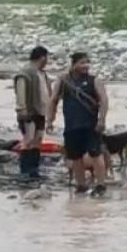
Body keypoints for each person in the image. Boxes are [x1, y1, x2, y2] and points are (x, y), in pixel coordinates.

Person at [47, 52, 109, 196]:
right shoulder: (64, 81)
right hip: (71, 125)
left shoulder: (94, 81)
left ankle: (100, 184)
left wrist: (102, 120)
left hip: (90, 125)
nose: (85, 66)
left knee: (96, 153)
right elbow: (53, 100)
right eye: (82, 63)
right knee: (75, 156)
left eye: (87, 62)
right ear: (73, 64)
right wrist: (50, 120)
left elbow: (104, 100)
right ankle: (81, 185)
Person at [14, 46, 51, 179]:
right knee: (28, 141)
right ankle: (25, 171)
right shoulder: (25, 73)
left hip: (41, 112)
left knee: (37, 141)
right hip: (29, 112)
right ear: (42, 57)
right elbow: (20, 92)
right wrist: (22, 109)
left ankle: (34, 170)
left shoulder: (42, 74)